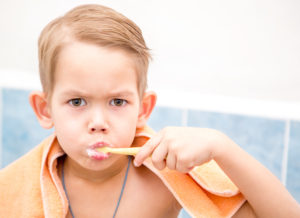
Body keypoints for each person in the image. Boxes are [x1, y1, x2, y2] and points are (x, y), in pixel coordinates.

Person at [0, 4, 299, 218]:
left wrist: (222, 147)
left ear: (143, 109)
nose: (98, 123)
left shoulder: (166, 177)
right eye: (77, 102)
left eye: (117, 102)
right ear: (44, 109)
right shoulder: (19, 189)